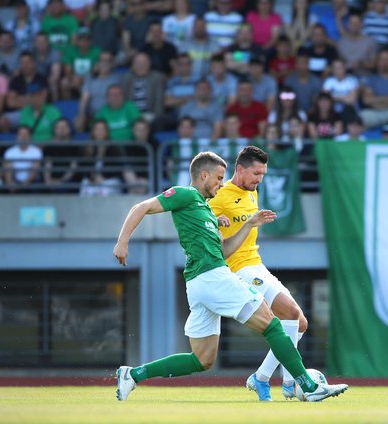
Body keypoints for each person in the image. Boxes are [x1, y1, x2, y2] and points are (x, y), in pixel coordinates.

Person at [112, 151, 348, 402]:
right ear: (203, 175)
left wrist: (247, 225)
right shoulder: (186, 194)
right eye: (218, 177)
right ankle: (308, 387)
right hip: (213, 277)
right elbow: (142, 206)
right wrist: (122, 242)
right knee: (274, 325)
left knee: (201, 360)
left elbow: (224, 251)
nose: (221, 183)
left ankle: (133, 374)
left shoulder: (204, 208)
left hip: (199, 283)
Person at [208, 146, 310, 401]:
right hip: (239, 269)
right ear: (239, 169)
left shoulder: (252, 191)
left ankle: (261, 377)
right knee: (290, 313)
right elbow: (210, 235)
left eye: (263, 174)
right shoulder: (219, 196)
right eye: (256, 173)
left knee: (300, 323)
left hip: (257, 263)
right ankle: (291, 383)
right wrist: (218, 222)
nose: (259, 179)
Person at [3, 125, 43, 193]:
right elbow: (8, 171)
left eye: (26, 135)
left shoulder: (36, 151)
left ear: (30, 137)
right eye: (21, 135)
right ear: (17, 137)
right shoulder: (10, 152)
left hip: (31, 182)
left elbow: (35, 171)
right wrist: (10, 183)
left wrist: (24, 184)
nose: (23, 137)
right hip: (15, 180)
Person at [43, 117, 79, 193]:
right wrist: (48, 181)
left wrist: (62, 181)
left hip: (68, 179)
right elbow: (47, 165)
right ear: (55, 130)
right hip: (51, 178)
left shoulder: (75, 146)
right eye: (59, 127)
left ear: (69, 129)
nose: (61, 130)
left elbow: (73, 167)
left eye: (64, 127)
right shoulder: (49, 146)